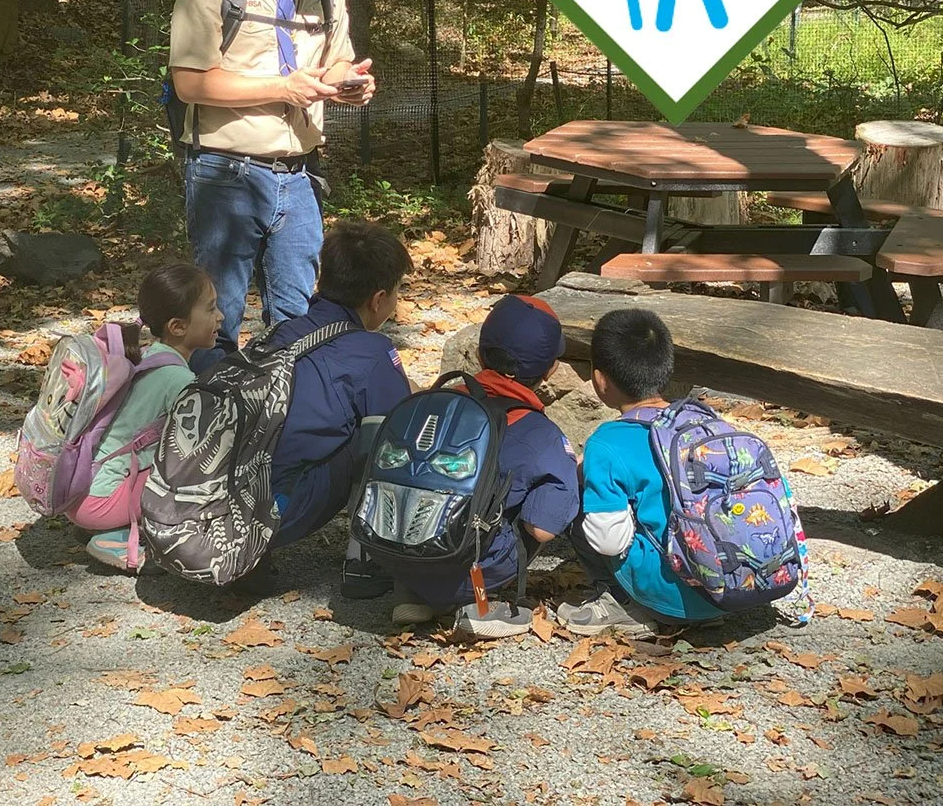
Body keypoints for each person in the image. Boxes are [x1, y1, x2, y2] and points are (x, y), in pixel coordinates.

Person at [168, 0, 376, 371]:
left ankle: (289, 428)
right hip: (225, 174)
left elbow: (337, 56)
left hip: (299, 174)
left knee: (302, 317)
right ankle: (213, 432)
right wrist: (283, 87)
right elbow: (190, 82)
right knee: (216, 317)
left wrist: (343, 84)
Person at [387, 295, 580, 638]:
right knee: (543, 504)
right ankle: (473, 603)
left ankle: (416, 592)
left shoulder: (435, 403)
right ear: (551, 370)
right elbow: (543, 530)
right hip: (464, 565)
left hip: (395, 550)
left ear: (478, 354)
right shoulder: (542, 436)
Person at [245, 220, 413, 595]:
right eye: (397, 292)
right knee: (380, 436)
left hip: (223, 495)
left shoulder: (281, 333)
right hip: (276, 510)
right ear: (378, 299)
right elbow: (395, 439)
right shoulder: (372, 352)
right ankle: (365, 560)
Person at [557, 308, 721, 637]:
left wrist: (587, 480)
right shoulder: (705, 420)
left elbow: (608, 542)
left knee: (578, 502)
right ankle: (703, 611)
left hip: (675, 593)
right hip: (730, 584)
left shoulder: (607, 442)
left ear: (599, 379)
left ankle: (626, 603)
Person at [66, 264, 221, 571]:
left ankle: (103, 524)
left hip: (79, 489)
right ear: (177, 326)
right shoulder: (177, 380)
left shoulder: (145, 355)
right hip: (101, 502)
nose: (221, 317)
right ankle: (115, 539)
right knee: (202, 473)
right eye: (211, 309)